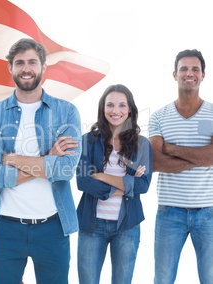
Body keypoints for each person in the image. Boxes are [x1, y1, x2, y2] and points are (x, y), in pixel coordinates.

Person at [0, 38, 81, 284]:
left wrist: (12, 159)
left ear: (44, 67)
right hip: (5, 228)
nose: (26, 68)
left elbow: (66, 170)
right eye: (20, 63)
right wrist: (48, 161)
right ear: (10, 68)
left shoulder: (66, 112)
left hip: (53, 228)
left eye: (32, 62)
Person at [76, 84, 152, 284]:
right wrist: (127, 186)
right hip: (92, 226)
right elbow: (82, 181)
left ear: (130, 110)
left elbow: (143, 185)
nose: (115, 111)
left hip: (127, 226)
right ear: (103, 108)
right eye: (110, 105)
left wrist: (100, 176)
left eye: (121, 105)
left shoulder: (142, 144)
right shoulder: (89, 141)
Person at [149, 49, 213, 283]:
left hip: (208, 211)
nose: (190, 73)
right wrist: (201, 156)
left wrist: (172, 149)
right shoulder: (159, 116)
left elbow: (212, 158)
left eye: (195, 69)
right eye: (184, 69)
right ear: (174, 74)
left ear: (203, 75)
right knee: (163, 279)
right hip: (169, 211)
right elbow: (155, 161)